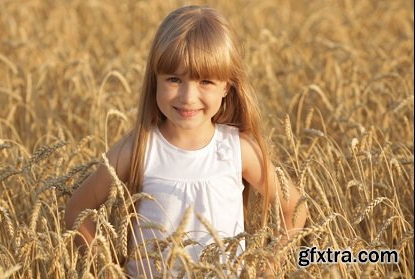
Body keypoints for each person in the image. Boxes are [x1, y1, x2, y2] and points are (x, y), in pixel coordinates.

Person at [65, 5, 307, 278]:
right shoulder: (140, 147)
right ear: (154, 80)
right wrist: (107, 268)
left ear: (227, 86)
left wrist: (270, 265)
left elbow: (295, 208)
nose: (188, 96)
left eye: (205, 81)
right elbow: (78, 209)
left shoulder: (237, 150)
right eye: (174, 79)